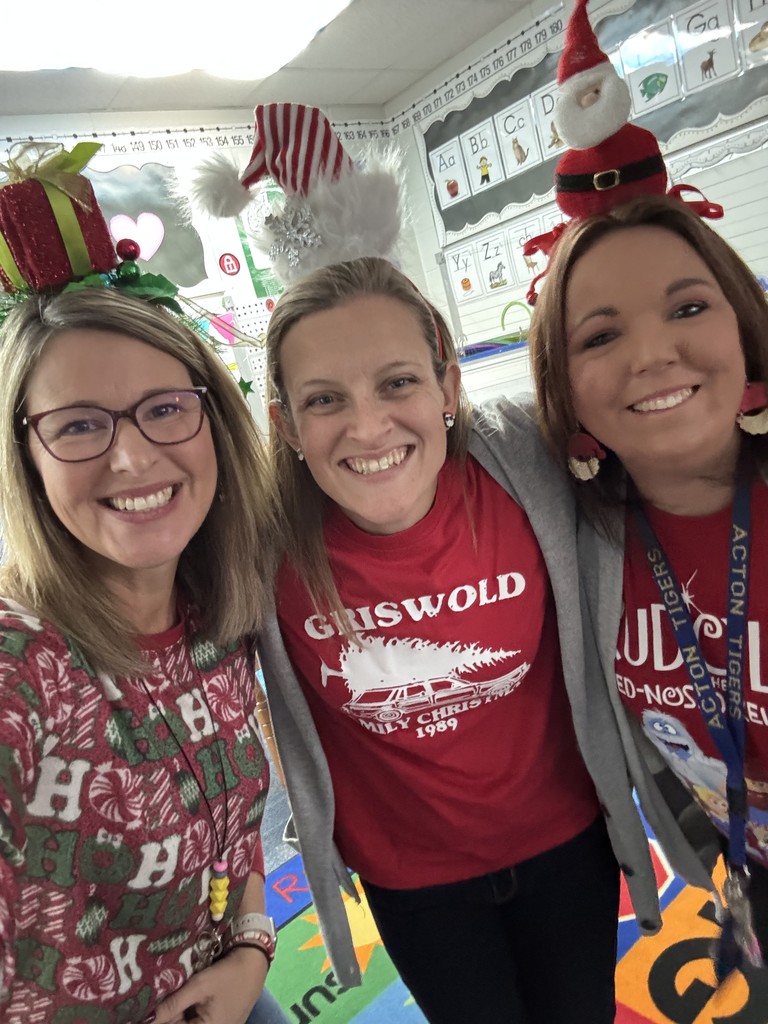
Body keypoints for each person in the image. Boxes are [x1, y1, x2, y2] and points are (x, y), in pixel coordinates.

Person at [253, 252, 713, 1023]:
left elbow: (679, 439)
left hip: (567, 847)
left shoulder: (529, 462)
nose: (368, 426)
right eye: (325, 399)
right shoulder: (257, 544)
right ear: (286, 425)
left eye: (398, 382)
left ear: (448, 389)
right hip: (412, 884)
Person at [0, 269, 289, 1018]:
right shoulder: (22, 661)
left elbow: (231, 829)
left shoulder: (218, 612)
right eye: (79, 424)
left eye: (164, 409)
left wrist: (254, 943)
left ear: (213, 425)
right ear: (27, 463)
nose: (131, 458)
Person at [529, 191, 768, 977]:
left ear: (743, 323)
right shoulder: (584, 540)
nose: (651, 355)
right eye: (600, 335)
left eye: (689, 307)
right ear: (565, 390)